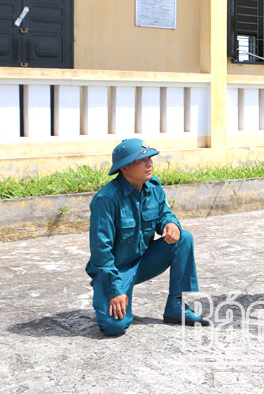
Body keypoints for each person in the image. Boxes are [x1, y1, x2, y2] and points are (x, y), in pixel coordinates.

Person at [85, 138, 206, 336]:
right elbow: (101, 251)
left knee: (183, 238)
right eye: (142, 161)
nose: (149, 164)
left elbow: (164, 213)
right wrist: (115, 290)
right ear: (124, 168)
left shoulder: (153, 187)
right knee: (114, 326)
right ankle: (113, 294)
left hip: (145, 261)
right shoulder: (106, 200)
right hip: (116, 270)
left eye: (150, 158)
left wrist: (170, 223)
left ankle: (176, 306)